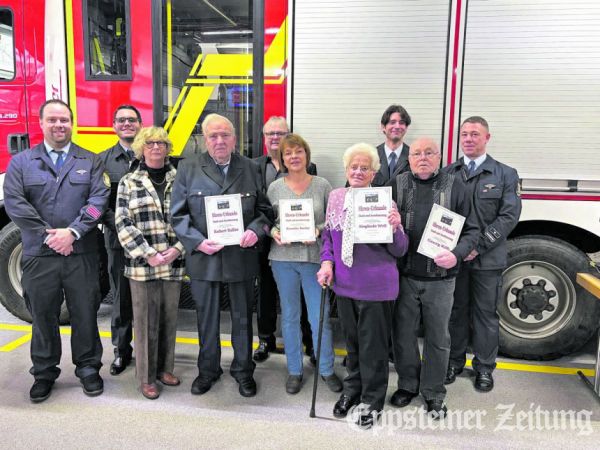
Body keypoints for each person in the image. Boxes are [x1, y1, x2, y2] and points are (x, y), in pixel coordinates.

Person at [3, 99, 109, 402]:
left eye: (64, 120)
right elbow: (15, 203)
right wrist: (49, 236)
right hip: (40, 255)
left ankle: (88, 369)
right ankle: (44, 372)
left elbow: (98, 200)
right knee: (43, 315)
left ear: (72, 123)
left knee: (85, 312)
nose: (59, 125)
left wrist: (73, 232)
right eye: (53, 120)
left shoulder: (90, 161)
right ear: (41, 123)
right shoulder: (22, 163)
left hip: (81, 254)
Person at [171, 113, 272, 398]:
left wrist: (256, 231)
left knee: (242, 319)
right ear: (205, 139)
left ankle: (243, 371)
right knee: (207, 319)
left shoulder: (251, 167)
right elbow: (177, 215)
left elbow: (265, 211)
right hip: (205, 257)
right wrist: (197, 242)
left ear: (234, 138)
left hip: (241, 256)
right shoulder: (188, 168)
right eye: (213, 136)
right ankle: (208, 371)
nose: (219, 140)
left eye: (225, 135)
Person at [317, 143, 409, 429]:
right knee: (353, 346)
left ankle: (371, 400)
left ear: (373, 173)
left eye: (364, 168)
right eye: (354, 167)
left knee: (374, 348)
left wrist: (395, 227)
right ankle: (351, 391)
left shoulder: (385, 202)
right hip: (344, 285)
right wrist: (327, 263)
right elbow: (329, 241)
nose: (358, 172)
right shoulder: (336, 198)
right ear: (346, 170)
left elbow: (400, 250)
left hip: (377, 287)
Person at [388, 137, 479, 419]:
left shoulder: (456, 186)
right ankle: (407, 385)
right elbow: (384, 224)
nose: (423, 157)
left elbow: (473, 230)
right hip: (405, 276)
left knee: (439, 338)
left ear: (439, 157)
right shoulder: (397, 184)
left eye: (429, 152)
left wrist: (457, 254)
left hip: (441, 278)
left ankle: (434, 393)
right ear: (409, 158)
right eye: (417, 153)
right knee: (403, 336)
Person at [445, 116, 521, 392]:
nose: (468, 139)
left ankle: (484, 368)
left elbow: (509, 216)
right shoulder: (449, 172)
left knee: (485, 315)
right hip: (455, 258)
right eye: (464, 134)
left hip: (487, 259)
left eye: (475, 134)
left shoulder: (505, 174)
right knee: (456, 312)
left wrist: (478, 246)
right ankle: (453, 362)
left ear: (487, 138)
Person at [267, 133, 342, 395]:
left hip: (314, 261)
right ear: (283, 159)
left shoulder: (322, 185)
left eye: (298, 152)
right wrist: (274, 232)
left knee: (319, 317)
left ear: (306, 155)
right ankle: (295, 370)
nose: (294, 157)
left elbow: (334, 221)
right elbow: (268, 221)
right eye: (288, 153)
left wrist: (318, 230)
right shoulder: (275, 188)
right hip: (282, 259)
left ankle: (326, 369)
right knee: (289, 317)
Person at [115, 127, 185, 400]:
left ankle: (165, 369)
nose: (156, 147)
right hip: (142, 264)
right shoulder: (128, 182)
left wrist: (177, 249)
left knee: (169, 318)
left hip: (173, 261)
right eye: (150, 143)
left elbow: (191, 216)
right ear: (141, 148)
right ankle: (146, 377)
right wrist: (147, 253)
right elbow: (122, 221)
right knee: (144, 322)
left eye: (161, 143)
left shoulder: (181, 180)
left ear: (168, 148)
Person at [253, 116, 315, 363]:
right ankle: (265, 339)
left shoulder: (310, 167)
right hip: (264, 242)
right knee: (265, 293)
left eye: (281, 133)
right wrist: (270, 231)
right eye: (271, 134)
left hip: (298, 245)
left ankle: (308, 342)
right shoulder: (253, 166)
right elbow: (255, 206)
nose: (275, 138)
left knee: (300, 295)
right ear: (264, 138)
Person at [100, 104, 142, 376]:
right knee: (122, 299)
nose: (127, 124)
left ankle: (153, 352)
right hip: (117, 242)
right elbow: (95, 205)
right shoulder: (101, 161)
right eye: (121, 120)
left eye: (132, 120)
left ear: (139, 124)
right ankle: (121, 351)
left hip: (151, 245)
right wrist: (121, 226)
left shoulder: (152, 156)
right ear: (114, 126)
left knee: (151, 300)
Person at [372, 104, 412, 187]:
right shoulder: (371, 155)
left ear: (406, 127)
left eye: (401, 123)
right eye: (392, 122)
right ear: (383, 127)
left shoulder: (414, 156)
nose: (397, 126)